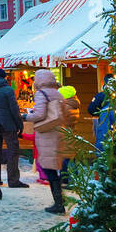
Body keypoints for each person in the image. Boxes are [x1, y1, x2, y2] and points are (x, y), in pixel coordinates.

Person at [28, 69, 70, 214]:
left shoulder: (41, 93)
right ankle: (60, 201)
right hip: (58, 132)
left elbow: (40, 114)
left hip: (47, 133)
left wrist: (27, 116)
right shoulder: (58, 93)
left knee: (49, 167)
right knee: (54, 165)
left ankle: (58, 203)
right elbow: (66, 113)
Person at [0, 68, 28, 189]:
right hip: (7, 124)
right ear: (4, 77)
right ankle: (13, 180)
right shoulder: (8, 90)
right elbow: (14, 109)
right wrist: (20, 124)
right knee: (13, 151)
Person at [57, 85, 82, 185]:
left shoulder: (66, 106)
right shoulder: (72, 105)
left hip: (65, 135)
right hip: (69, 133)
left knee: (68, 159)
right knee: (67, 158)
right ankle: (65, 179)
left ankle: (71, 180)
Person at [88, 74, 115, 150]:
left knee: (103, 137)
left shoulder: (101, 96)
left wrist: (98, 112)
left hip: (105, 122)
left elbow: (91, 109)